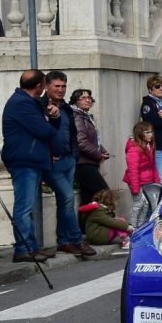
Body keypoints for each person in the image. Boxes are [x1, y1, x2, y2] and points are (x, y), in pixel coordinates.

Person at [1, 70, 60, 262]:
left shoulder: (27, 102)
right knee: (24, 207)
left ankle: (31, 247)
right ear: (39, 87)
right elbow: (44, 131)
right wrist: (52, 119)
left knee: (28, 207)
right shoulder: (22, 103)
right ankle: (23, 248)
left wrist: (51, 116)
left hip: (30, 159)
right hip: (24, 160)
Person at [42, 71, 96, 257]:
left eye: (63, 86)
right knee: (67, 199)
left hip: (69, 159)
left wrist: (73, 156)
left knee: (63, 202)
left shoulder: (66, 108)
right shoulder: (40, 106)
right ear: (47, 86)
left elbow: (72, 134)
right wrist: (47, 154)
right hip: (53, 162)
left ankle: (64, 241)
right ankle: (77, 240)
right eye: (56, 86)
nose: (60, 89)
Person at [69, 88, 110, 203]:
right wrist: (98, 155)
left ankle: (86, 221)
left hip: (89, 162)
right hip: (83, 163)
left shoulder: (85, 116)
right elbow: (81, 142)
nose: (87, 100)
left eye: (89, 98)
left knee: (88, 199)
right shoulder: (77, 116)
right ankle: (106, 220)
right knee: (104, 194)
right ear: (75, 101)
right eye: (83, 98)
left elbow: (93, 139)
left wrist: (102, 150)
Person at [123, 121, 160, 229]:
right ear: (140, 133)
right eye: (147, 132)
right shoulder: (134, 148)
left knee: (145, 205)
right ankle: (131, 228)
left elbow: (153, 166)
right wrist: (135, 188)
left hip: (145, 180)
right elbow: (133, 170)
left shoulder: (149, 145)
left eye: (151, 132)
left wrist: (156, 182)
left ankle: (139, 227)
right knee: (139, 203)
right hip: (135, 181)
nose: (150, 135)